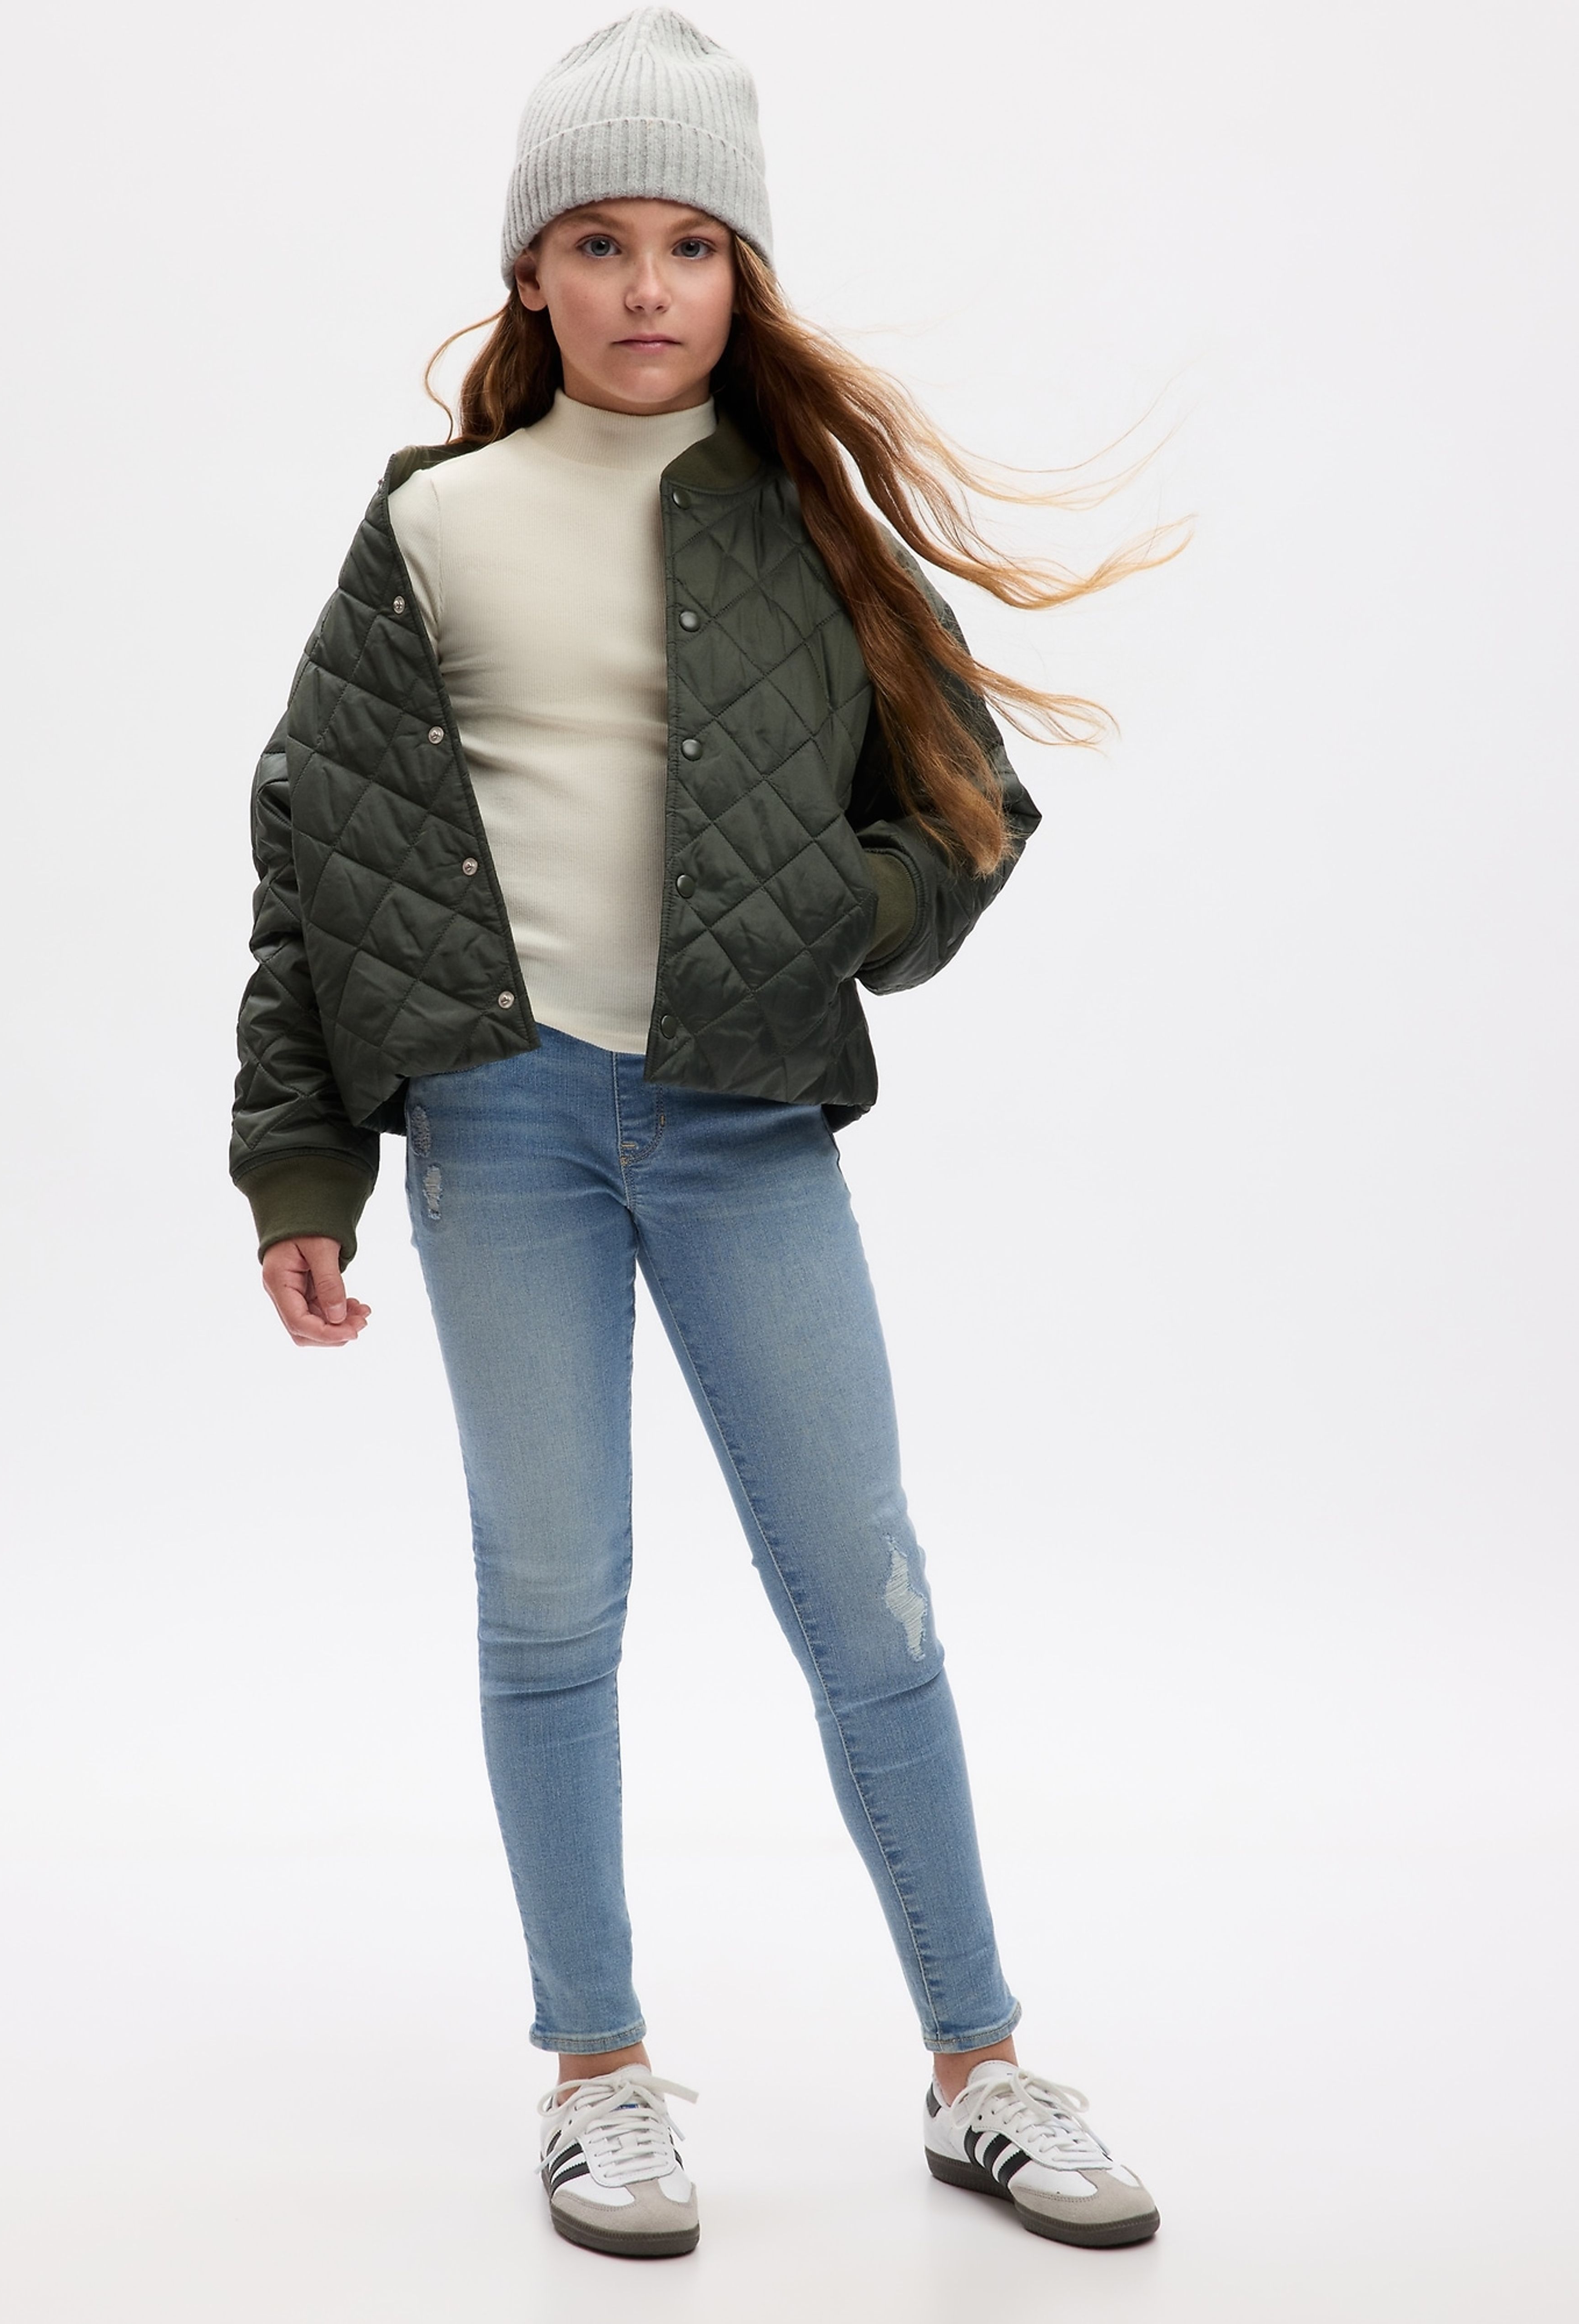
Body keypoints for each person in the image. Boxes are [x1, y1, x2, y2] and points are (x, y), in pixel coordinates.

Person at [232, 6, 1171, 2263]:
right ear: (530, 273)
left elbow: (968, 805)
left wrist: (834, 914)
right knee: (553, 1602)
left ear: (744, 273)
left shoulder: (804, 527)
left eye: (690, 243)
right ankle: (599, 2074)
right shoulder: (433, 525)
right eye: (597, 241)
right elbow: (311, 858)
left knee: (868, 1598)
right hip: (503, 1132)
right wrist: (302, 1169)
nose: (645, 285)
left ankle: (979, 2064)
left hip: (747, 1123)